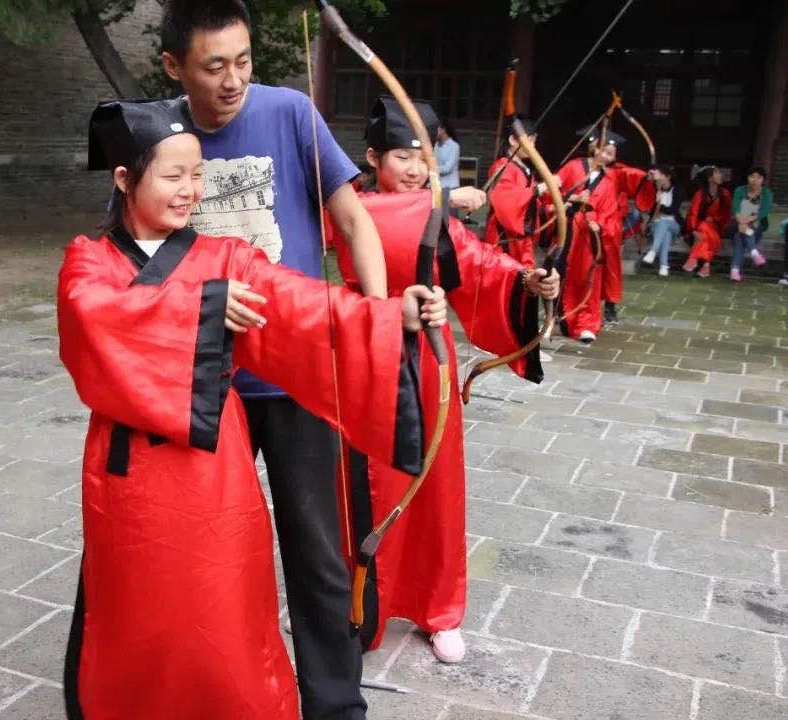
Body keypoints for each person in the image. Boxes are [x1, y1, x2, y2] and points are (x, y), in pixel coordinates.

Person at [58, 97, 447, 720]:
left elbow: (301, 305)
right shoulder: (89, 258)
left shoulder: (225, 257)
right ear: (125, 179)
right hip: (130, 476)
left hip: (215, 469)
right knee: (135, 605)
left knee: (223, 606)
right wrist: (205, 308)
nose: (190, 191)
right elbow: (90, 320)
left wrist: (387, 314)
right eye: (173, 175)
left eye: (197, 175)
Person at [158, 2, 390, 716]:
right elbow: (134, 254)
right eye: (213, 66)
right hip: (204, 384)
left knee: (318, 551)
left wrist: (377, 318)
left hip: (297, 376)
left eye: (244, 61)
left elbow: (352, 219)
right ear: (173, 66)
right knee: (202, 552)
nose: (233, 81)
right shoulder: (157, 131)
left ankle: (335, 703)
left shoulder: (289, 113)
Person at [328, 96, 559, 665]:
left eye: (424, 160)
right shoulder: (350, 206)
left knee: (434, 484)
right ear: (372, 157)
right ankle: (359, 606)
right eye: (401, 157)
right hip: (366, 347)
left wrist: (527, 281)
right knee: (365, 483)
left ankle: (439, 609)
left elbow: (479, 263)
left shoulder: (437, 213)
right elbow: (371, 221)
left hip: (430, 355)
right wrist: (441, 199)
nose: (414, 169)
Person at [554, 126, 622, 344]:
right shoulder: (574, 166)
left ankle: (586, 325)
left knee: (588, 278)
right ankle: (563, 319)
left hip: (589, 238)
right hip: (567, 231)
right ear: (594, 147)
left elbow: (611, 213)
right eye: (603, 150)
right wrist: (572, 199)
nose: (606, 156)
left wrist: (599, 225)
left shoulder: (609, 182)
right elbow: (553, 190)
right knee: (561, 275)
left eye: (610, 154)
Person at [482, 113, 552, 268]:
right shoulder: (502, 165)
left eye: (534, 141)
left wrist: (549, 208)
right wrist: (537, 190)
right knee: (505, 277)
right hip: (504, 238)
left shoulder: (524, 169)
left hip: (521, 238)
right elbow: (506, 201)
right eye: (529, 141)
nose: (533, 146)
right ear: (513, 140)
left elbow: (531, 205)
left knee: (524, 277)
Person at [607, 158, 655, 322]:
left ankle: (609, 308)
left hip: (612, 225)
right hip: (589, 225)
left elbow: (632, 175)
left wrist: (647, 178)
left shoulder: (616, 172)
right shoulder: (583, 169)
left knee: (612, 269)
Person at [682, 165, 731, 277]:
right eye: (717, 173)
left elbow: (726, 214)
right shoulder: (700, 194)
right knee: (703, 227)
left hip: (716, 227)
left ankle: (693, 258)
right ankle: (706, 264)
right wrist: (693, 230)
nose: (720, 175)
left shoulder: (724, 194)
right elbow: (693, 213)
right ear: (710, 178)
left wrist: (714, 218)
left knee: (705, 228)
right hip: (699, 226)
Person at [640, 164, 686, 277]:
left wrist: (659, 205)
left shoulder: (677, 190)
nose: (657, 178)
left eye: (659, 175)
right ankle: (664, 266)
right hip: (656, 225)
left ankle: (653, 251)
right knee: (665, 233)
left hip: (674, 224)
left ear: (668, 177)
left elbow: (672, 210)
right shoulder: (654, 190)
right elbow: (651, 211)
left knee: (664, 223)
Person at [728, 166, 772, 281]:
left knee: (740, 237)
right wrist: (741, 221)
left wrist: (746, 221)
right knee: (741, 233)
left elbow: (764, 211)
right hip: (738, 223)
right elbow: (736, 209)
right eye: (752, 177)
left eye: (759, 177)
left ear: (763, 179)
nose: (755, 180)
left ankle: (735, 270)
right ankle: (754, 253)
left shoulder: (766, 193)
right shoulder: (739, 190)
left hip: (756, 226)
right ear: (747, 178)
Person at [435, 118, 460, 215]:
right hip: (436, 186)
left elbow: (448, 168)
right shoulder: (435, 145)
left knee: (450, 217)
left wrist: (431, 169)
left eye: (437, 129)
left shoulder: (454, 146)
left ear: (443, 130)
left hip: (450, 187)